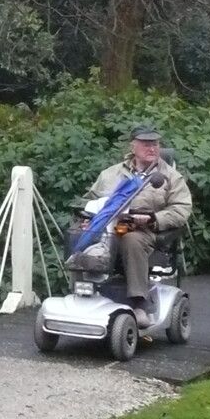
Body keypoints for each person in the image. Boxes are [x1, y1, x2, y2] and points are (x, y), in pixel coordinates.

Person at [78, 126, 194, 324]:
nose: (152, 148)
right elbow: (88, 201)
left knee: (130, 238)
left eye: (155, 144)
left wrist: (153, 219)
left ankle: (140, 303)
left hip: (145, 230)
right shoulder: (110, 174)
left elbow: (181, 209)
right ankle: (80, 292)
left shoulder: (170, 177)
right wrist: (86, 218)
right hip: (107, 228)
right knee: (77, 236)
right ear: (133, 146)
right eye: (146, 144)